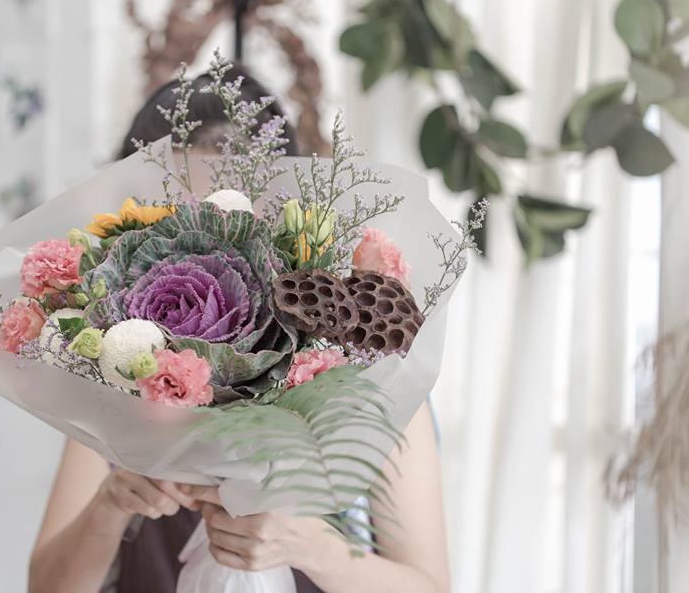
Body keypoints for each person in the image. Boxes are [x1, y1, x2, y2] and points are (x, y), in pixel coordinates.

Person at [28, 68, 450, 593]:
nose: (201, 246)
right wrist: (109, 506)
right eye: (171, 216)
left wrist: (315, 550)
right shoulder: (114, 368)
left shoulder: (363, 369)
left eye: (226, 214)